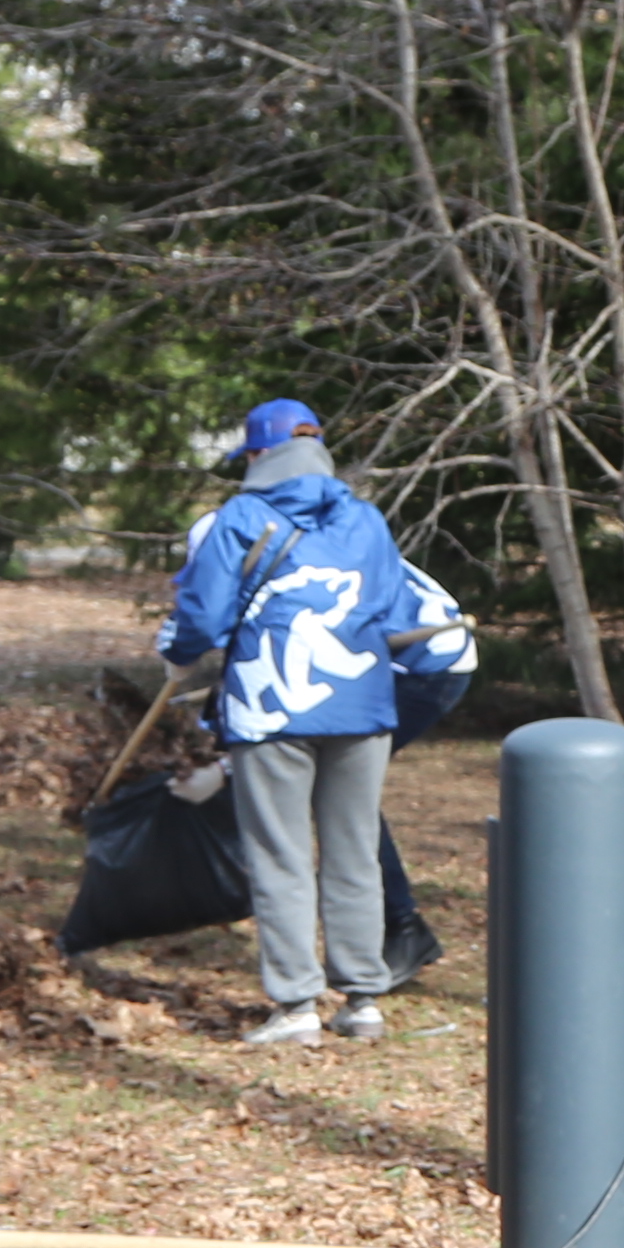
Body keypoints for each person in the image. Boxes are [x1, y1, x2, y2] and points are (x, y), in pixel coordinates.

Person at [158, 397, 462, 1045]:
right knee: (353, 850)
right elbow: (386, 605)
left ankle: (296, 1006)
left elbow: (204, 616)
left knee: (281, 854)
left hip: (271, 707)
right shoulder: (366, 519)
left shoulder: (241, 516)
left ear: (259, 454)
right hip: (361, 704)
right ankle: (363, 999)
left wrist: (180, 656)